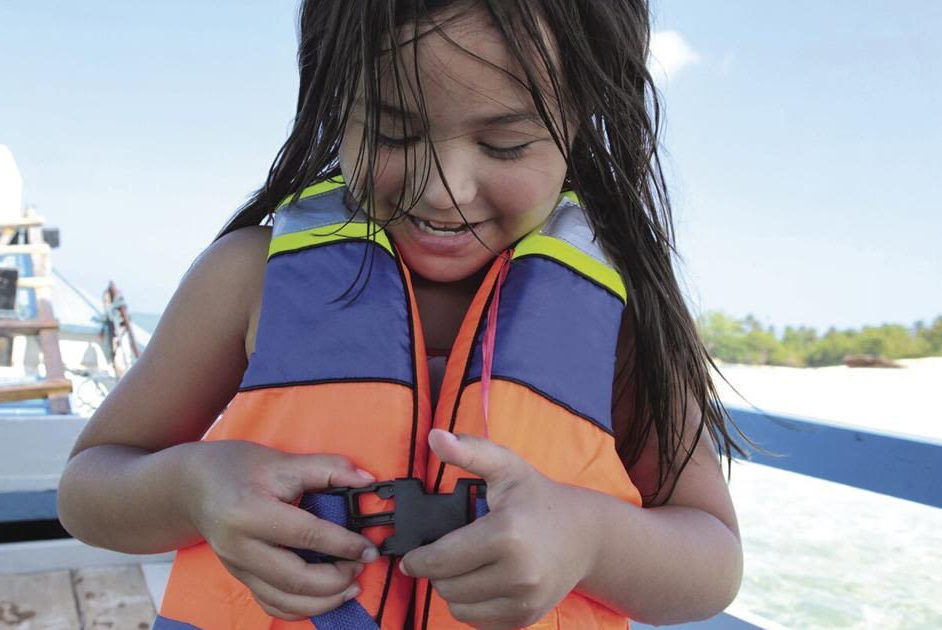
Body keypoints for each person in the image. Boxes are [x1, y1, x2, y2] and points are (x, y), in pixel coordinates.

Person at [58, 1, 745, 628]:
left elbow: (712, 562)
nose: (442, 189)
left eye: (504, 145)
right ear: (337, 101)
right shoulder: (247, 279)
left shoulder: (620, 316)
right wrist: (193, 488)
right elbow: (89, 489)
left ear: (579, 118)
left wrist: (589, 538)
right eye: (392, 133)